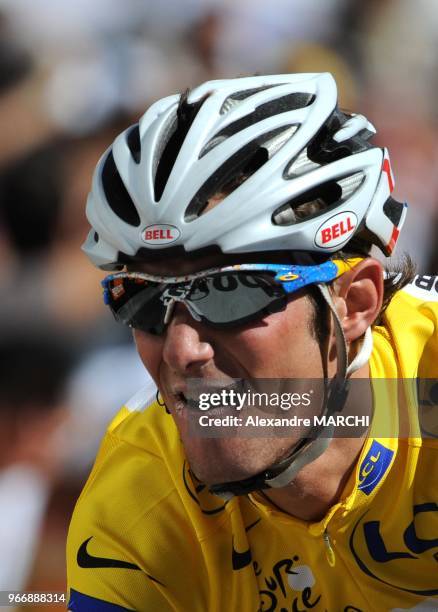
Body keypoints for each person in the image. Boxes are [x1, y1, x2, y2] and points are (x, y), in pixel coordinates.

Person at [67, 73, 438, 611]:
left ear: (354, 304)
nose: (181, 351)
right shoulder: (139, 501)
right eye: (144, 301)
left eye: (229, 293)